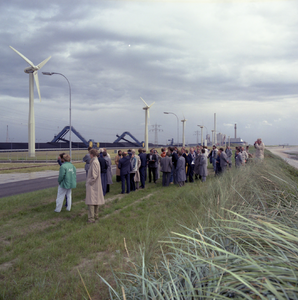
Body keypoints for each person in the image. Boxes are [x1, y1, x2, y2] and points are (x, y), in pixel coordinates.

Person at [85, 149, 105, 223]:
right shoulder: (95, 161)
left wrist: (89, 182)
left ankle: (91, 218)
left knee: (91, 201)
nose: (89, 155)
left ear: (92, 154)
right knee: (96, 200)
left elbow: (94, 175)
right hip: (95, 184)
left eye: (90, 154)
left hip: (93, 185)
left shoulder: (94, 162)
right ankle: (96, 216)